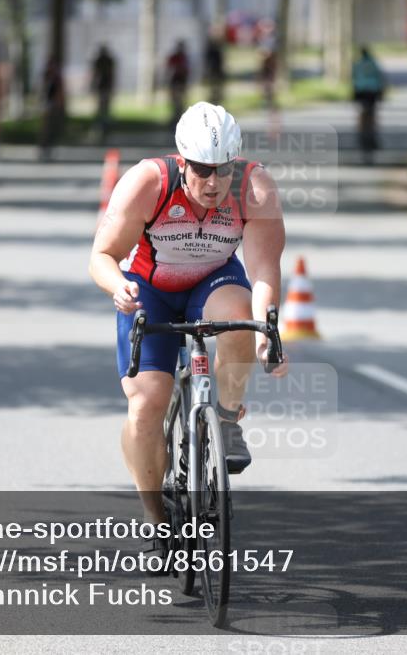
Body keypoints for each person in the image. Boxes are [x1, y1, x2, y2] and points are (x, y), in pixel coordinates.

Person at [89, 102, 288, 553]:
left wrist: (265, 332)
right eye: (201, 170)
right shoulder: (146, 183)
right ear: (182, 162)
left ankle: (225, 420)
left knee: (239, 316)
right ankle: (154, 515)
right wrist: (117, 286)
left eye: (222, 170)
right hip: (148, 288)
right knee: (146, 405)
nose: (213, 183)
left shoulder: (254, 187)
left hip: (212, 281)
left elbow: (262, 270)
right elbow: (101, 256)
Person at [352, 46, 387, 163]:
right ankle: (372, 133)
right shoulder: (374, 63)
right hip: (373, 92)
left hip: (361, 92)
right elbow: (380, 77)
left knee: (362, 112)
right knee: (372, 113)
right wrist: (382, 92)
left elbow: (354, 78)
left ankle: (361, 132)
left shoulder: (357, 64)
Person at [39, 55, 66, 159]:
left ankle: (51, 147)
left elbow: (60, 92)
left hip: (54, 105)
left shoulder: (57, 78)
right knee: (45, 128)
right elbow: (42, 90)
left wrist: (59, 104)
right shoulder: (46, 76)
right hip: (47, 104)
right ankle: (43, 148)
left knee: (53, 128)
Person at [89, 46, 115, 144]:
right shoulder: (104, 61)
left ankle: (103, 127)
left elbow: (97, 74)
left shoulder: (104, 61)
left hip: (104, 87)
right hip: (103, 87)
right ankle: (102, 127)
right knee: (103, 108)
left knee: (103, 108)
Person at [165, 40, 190, 128]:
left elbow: (186, 71)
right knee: (175, 102)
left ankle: (180, 118)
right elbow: (170, 69)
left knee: (180, 102)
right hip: (175, 82)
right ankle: (175, 118)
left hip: (181, 82)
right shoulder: (175, 57)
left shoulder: (184, 58)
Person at [203, 28, 225, 105]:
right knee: (213, 88)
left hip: (217, 71)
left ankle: (217, 99)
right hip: (213, 71)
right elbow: (208, 61)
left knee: (217, 88)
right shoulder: (210, 48)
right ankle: (213, 100)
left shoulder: (218, 47)